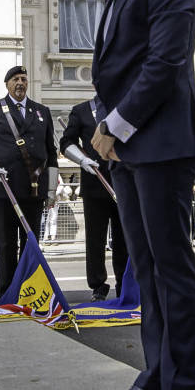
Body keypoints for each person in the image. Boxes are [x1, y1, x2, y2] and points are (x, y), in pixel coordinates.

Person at [70, 0, 195, 390]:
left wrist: (114, 125)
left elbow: (165, 63)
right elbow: (115, 72)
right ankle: (156, 375)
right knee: (144, 268)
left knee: (172, 268)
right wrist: (107, 126)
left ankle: (183, 388)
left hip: (162, 147)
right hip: (128, 150)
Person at [0, 65, 58, 296]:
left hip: (34, 188)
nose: (20, 83)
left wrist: (51, 190)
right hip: (4, 188)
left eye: (23, 78)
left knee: (31, 244)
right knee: (6, 244)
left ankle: (28, 292)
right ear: (7, 84)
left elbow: (51, 153)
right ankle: (7, 294)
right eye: (15, 79)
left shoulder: (41, 111)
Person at [63, 97, 129, 299]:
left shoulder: (123, 108)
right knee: (95, 240)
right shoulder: (81, 110)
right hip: (94, 185)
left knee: (123, 240)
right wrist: (82, 159)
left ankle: (124, 284)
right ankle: (98, 285)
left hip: (122, 183)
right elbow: (66, 142)